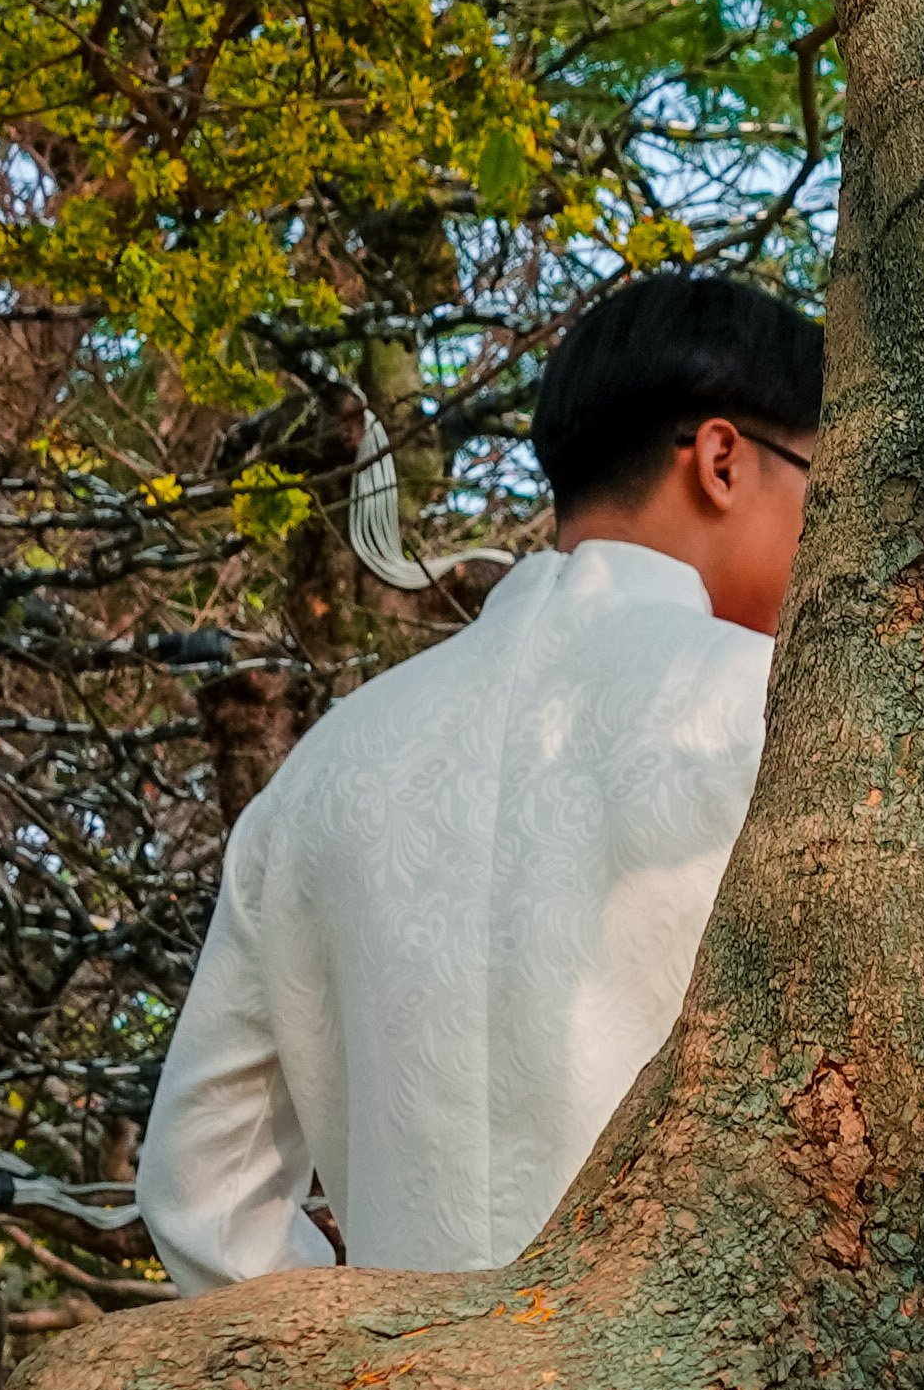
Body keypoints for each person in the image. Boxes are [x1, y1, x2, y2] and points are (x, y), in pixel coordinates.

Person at [140, 271, 820, 1291]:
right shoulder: (786, 717)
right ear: (724, 460)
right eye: (825, 480)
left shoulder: (326, 764)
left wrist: (369, 1379)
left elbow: (203, 1193)